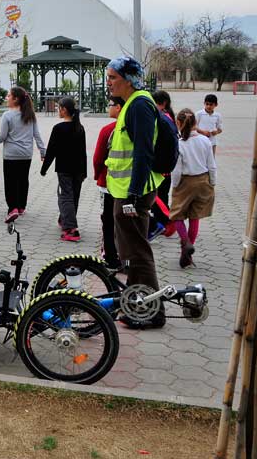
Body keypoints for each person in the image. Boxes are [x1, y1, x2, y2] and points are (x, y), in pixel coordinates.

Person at [105, 56, 166, 329]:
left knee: (138, 252)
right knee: (131, 251)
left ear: (128, 79)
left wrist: (132, 194)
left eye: (113, 77)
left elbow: (143, 152)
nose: (109, 82)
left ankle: (153, 312)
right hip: (125, 190)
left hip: (133, 192)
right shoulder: (132, 103)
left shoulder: (139, 105)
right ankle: (135, 305)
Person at [170, 108, 217, 268]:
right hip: (203, 180)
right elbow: (212, 164)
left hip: (185, 182)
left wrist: (175, 184)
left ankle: (185, 243)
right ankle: (187, 255)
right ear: (195, 123)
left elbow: (176, 169)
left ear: (178, 123)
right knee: (194, 216)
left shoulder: (180, 144)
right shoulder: (205, 141)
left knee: (177, 215)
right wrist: (212, 182)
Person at [0, 86, 45, 222]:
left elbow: (3, 136)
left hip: (11, 155)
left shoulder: (7, 115)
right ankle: (21, 206)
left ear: (16, 99)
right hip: (26, 154)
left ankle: (12, 208)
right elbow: (36, 135)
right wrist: (43, 151)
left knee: (10, 182)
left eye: (9, 96)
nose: (7, 98)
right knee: (22, 179)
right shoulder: (30, 114)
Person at [40, 97, 87, 241]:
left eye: (58, 108)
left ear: (64, 110)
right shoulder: (80, 127)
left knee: (65, 196)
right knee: (74, 196)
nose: (57, 110)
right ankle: (65, 219)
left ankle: (71, 229)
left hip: (64, 169)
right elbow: (83, 151)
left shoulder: (59, 128)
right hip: (78, 169)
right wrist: (85, 172)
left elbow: (51, 151)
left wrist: (44, 168)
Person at [93, 97, 124, 270]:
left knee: (108, 220)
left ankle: (111, 258)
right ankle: (127, 258)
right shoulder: (135, 128)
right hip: (129, 185)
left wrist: (97, 175)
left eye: (110, 105)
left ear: (118, 107)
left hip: (108, 184)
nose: (108, 108)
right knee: (125, 222)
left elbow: (98, 158)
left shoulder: (108, 130)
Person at [149, 90, 177, 239]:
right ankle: (164, 221)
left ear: (163, 103)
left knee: (157, 196)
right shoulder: (169, 117)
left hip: (160, 166)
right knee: (161, 195)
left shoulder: (162, 119)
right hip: (166, 166)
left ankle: (166, 220)